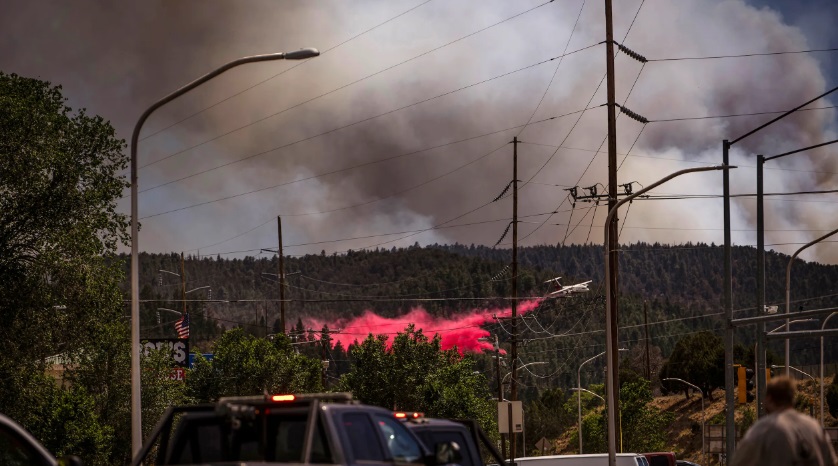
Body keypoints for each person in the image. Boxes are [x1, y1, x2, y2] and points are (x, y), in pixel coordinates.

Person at [731, 376, 837, 466]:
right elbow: (831, 462)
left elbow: (739, 462)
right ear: (791, 398)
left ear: (769, 398)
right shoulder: (815, 427)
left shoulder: (763, 429)